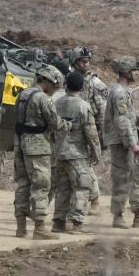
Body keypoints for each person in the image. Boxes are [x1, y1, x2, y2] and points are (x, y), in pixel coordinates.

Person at [13, 64, 70, 240]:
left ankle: (21, 228)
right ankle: (39, 227)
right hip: (38, 148)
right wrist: (68, 124)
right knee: (41, 185)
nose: (54, 91)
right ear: (46, 81)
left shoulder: (22, 94)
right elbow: (54, 123)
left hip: (20, 144)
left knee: (23, 184)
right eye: (54, 86)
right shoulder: (42, 99)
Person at [104, 56, 139, 229]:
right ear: (126, 71)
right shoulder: (119, 92)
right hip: (122, 143)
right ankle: (118, 217)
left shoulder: (123, 90)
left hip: (126, 140)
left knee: (135, 177)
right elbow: (121, 121)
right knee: (122, 178)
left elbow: (126, 117)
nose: (137, 73)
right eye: (135, 70)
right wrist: (131, 143)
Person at [51, 71, 101, 234]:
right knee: (82, 186)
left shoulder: (56, 103)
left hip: (59, 153)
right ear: (82, 86)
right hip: (77, 154)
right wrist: (96, 153)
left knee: (63, 189)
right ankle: (77, 223)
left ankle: (58, 223)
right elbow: (91, 133)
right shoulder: (83, 106)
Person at [69, 46, 107, 213]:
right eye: (83, 61)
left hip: (89, 131)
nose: (86, 64)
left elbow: (103, 113)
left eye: (88, 61)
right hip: (71, 132)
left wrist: (99, 137)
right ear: (75, 62)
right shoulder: (68, 80)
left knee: (86, 167)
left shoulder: (96, 84)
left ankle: (94, 200)